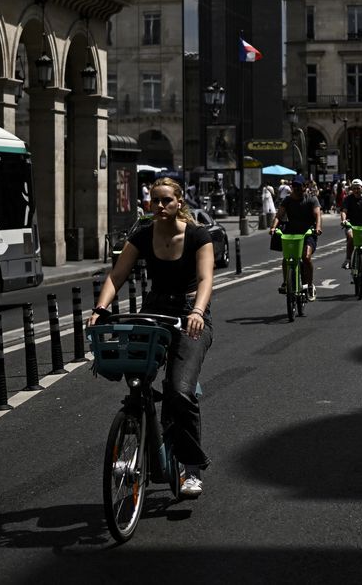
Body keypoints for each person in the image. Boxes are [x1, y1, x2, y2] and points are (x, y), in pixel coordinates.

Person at [87, 177, 215, 498]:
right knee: (134, 374)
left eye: (166, 201)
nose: (159, 206)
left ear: (179, 202)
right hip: (155, 308)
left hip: (189, 314)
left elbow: (205, 278)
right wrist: (101, 308)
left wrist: (198, 312)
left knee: (180, 390)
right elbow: (117, 275)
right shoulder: (143, 236)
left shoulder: (198, 235)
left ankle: (191, 468)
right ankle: (138, 426)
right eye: (154, 200)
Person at [272, 176, 320, 301]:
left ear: (305, 187)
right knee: (286, 258)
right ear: (292, 188)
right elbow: (279, 215)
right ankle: (285, 282)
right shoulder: (287, 200)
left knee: (306, 257)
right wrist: (273, 227)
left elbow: (317, 215)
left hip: (308, 233)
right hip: (292, 234)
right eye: (295, 187)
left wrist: (318, 228)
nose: (298, 189)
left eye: (300, 187)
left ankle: (309, 285)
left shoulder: (311, 199)